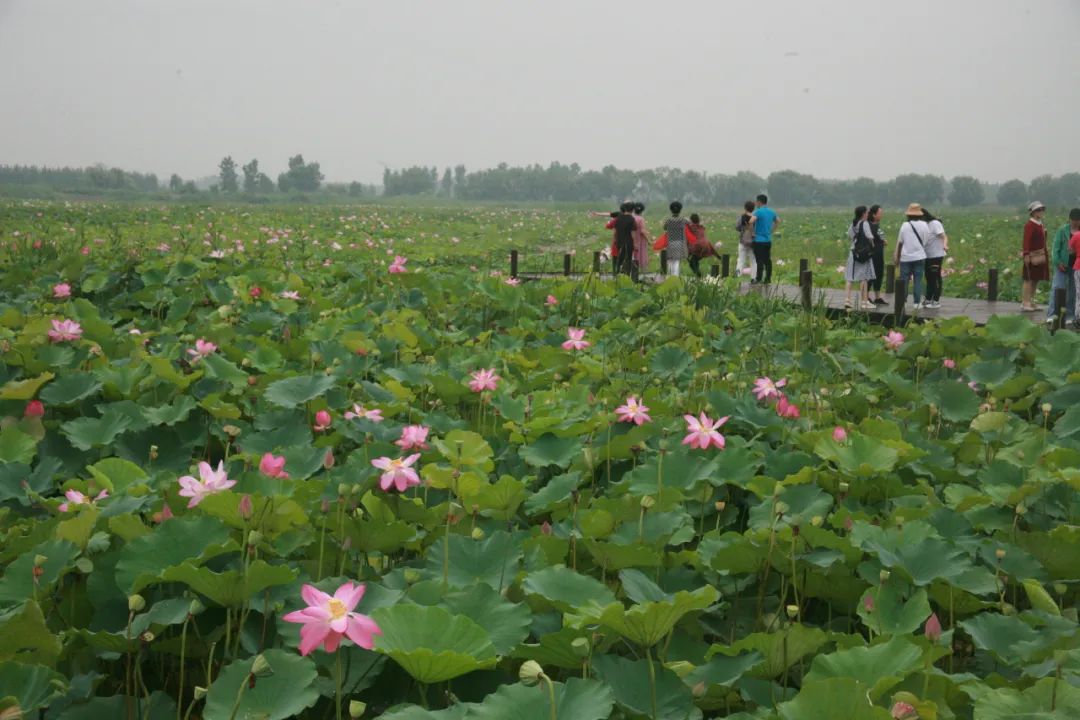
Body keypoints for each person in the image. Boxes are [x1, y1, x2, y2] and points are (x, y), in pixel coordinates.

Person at [894, 203, 930, 308]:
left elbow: (900, 243)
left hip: (905, 258)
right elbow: (926, 241)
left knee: (904, 280)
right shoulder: (925, 225)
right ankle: (917, 303)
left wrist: (897, 257)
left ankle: (903, 302)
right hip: (920, 257)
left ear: (908, 214)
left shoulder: (905, 225)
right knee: (918, 280)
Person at [1048, 208, 1080, 325]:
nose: (1075, 222)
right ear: (1069, 219)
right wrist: (1057, 262)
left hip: (1076, 266)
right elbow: (1055, 248)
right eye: (1073, 220)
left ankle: (1070, 315)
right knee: (1057, 288)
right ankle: (1052, 315)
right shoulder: (1062, 230)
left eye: (1077, 220)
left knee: (1073, 291)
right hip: (1062, 264)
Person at [844, 206, 875, 309]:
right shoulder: (864, 223)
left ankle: (847, 300)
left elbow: (850, 236)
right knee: (863, 278)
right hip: (863, 253)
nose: (868, 214)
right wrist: (872, 247)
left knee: (850, 277)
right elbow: (870, 237)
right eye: (867, 213)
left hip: (853, 252)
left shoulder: (853, 224)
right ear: (863, 214)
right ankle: (864, 302)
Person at [1022, 201, 1050, 311]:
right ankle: (1025, 302)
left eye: (1042, 209)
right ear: (1033, 212)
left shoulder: (1041, 224)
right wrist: (1026, 254)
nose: (1041, 212)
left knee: (1036, 279)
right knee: (1028, 279)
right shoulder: (1030, 225)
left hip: (1040, 255)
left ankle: (1031, 301)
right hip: (1031, 255)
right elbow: (1026, 240)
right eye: (1038, 210)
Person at [748, 194, 779, 284]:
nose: (756, 203)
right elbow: (778, 221)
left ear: (759, 202)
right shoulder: (772, 212)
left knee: (759, 260)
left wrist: (752, 233)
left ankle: (758, 279)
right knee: (767, 260)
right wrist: (771, 231)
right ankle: (768, 278)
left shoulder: (758, 212)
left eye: (756, 202)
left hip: (758, 240)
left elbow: (750, 222)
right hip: (768, 240)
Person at [921, 209, 948, 309]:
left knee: (935, 277)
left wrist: (945, 245)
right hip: (927, 255)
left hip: (936, 255)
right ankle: (928, 298)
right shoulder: (923, 225)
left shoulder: (935, 223)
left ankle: (935, 300)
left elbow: (944, 236)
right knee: (928, 277)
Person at [866, 205, 888, 304]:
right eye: (880, 213)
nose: (882, 215)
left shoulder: (876, 225)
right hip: (872, 255)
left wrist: (883, 241)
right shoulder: (868, 225)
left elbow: (879, 237)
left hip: (879, 255)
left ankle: (877, 297)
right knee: (871, 274)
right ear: (874, 215)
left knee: (879, 274)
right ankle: (866, 296)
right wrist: (881, 241)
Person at [662, 201, 690, 277]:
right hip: (679, 243)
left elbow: (664, 227)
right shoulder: (683, 220)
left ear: (671, 210)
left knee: (670, 260)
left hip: (670, 242)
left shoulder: (668, 220)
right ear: (680, 210)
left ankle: (669, 277)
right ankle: (675, 277)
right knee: (676, 261)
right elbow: (689, 223)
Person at [612, 202, 638, 277]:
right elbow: (633, 233)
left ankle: (617, 274)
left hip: (619, 242)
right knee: (628, 259)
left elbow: (615, 231)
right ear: (632, 210)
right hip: (628, 243)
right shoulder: (632, 219)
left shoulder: (618, 218)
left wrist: (614, 241)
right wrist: (635, 244)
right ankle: (627, 276)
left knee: (619, 258)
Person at [735, 201, 757, 278]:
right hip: (753, 242)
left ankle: (738, 277)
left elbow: (737, 227)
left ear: (745, 208)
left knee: (740, 260)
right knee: (753, 261)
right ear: (753, 208)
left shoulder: (741, 217)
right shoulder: (755, 218)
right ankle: (754, 278)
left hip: (743, 241)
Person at [632, 202, 652, 274]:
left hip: (632, 239)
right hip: (640, 241)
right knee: (642, 255)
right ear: (642, 211)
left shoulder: (632, 218)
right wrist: (649, 240)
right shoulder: (641, 219)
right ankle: (643, 273)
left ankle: (634, 272)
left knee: (634, 255)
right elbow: (642, 231)